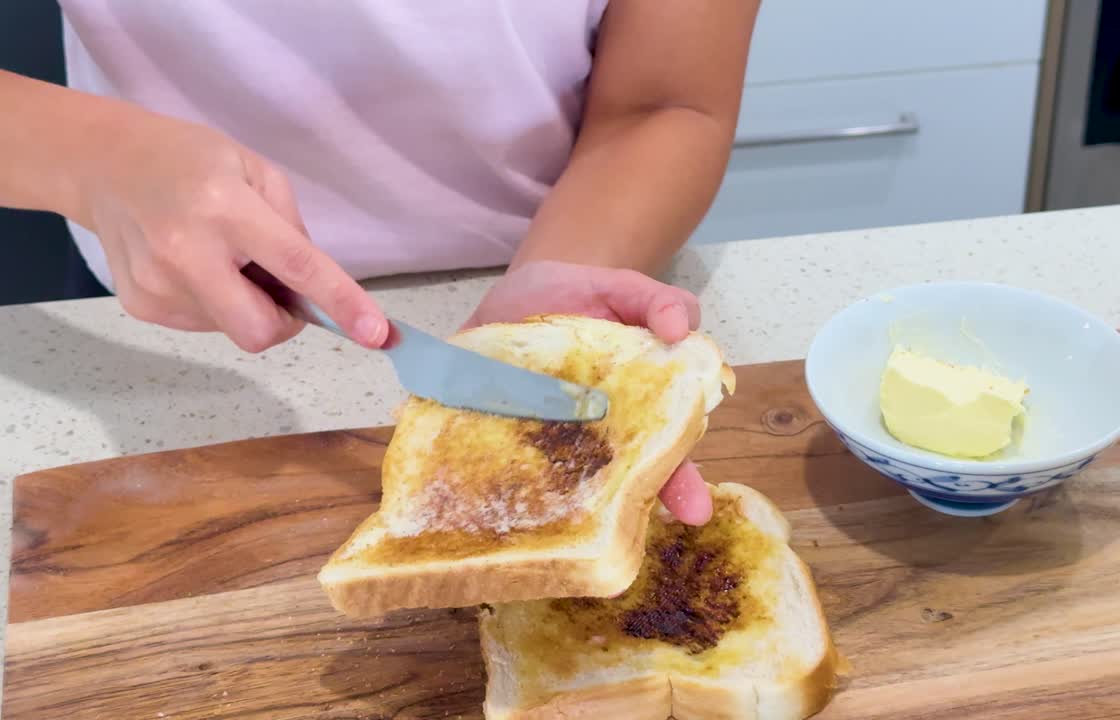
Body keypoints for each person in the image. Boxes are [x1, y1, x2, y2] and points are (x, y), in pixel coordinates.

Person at [0, 2, 759, 524]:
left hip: (582, 254)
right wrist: (93, 158)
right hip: (159, 293)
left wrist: (540, 331)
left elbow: (667, 103)